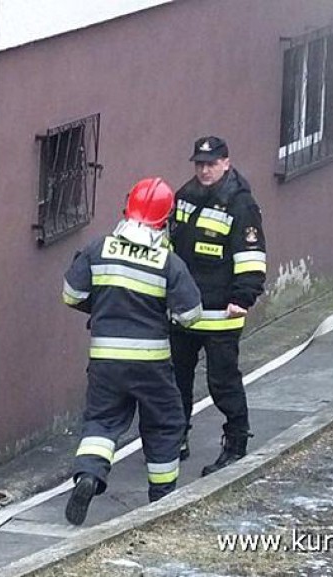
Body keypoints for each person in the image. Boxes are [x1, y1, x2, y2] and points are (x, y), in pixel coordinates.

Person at [62, 177, 202, 526]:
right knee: (166, 423)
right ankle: (162, 499)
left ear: (128, 209)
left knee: (101, 422)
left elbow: (71, 294)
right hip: (151, 364)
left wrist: (104, 307)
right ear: (164, 219)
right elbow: (190, 314)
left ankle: (89, 476)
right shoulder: (168, 262)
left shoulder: (98, 249)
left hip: (106, 361)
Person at [168, 136, 267, 477]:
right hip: (185, 310)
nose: (204, 170)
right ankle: (175, 437)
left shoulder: (241, 204)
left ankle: (236, 442)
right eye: (199, 164)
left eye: (211, 164)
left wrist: (243, 298)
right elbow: (171, 248)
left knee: (222, 381)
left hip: (222, 313)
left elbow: (251, 256)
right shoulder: (184, 197)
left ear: (226, 163)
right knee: (176, 378)